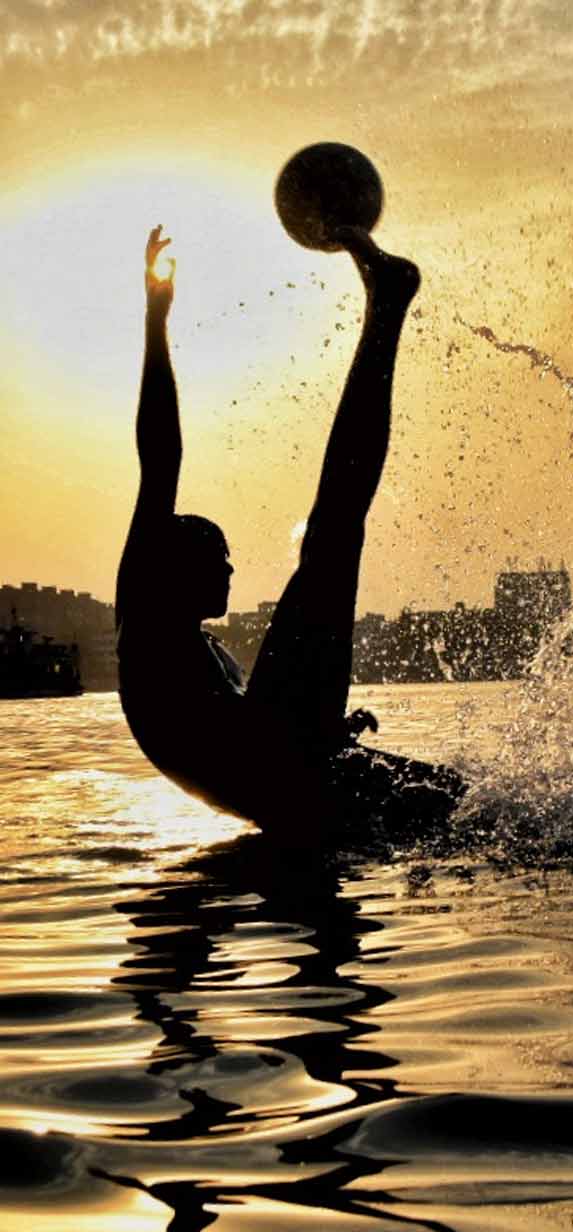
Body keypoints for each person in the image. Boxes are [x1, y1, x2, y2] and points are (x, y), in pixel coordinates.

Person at [116, 225, 463, 845]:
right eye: (216, 559)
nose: (228, 572)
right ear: (169, 567)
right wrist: (155, 319)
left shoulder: (204, 652)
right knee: (333, 533)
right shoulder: (145, 619)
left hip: (289, 770)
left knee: (460, 803)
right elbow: (159, 453)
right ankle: (386, 307)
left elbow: (236, 724)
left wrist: (325, 727)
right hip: (274, 764)